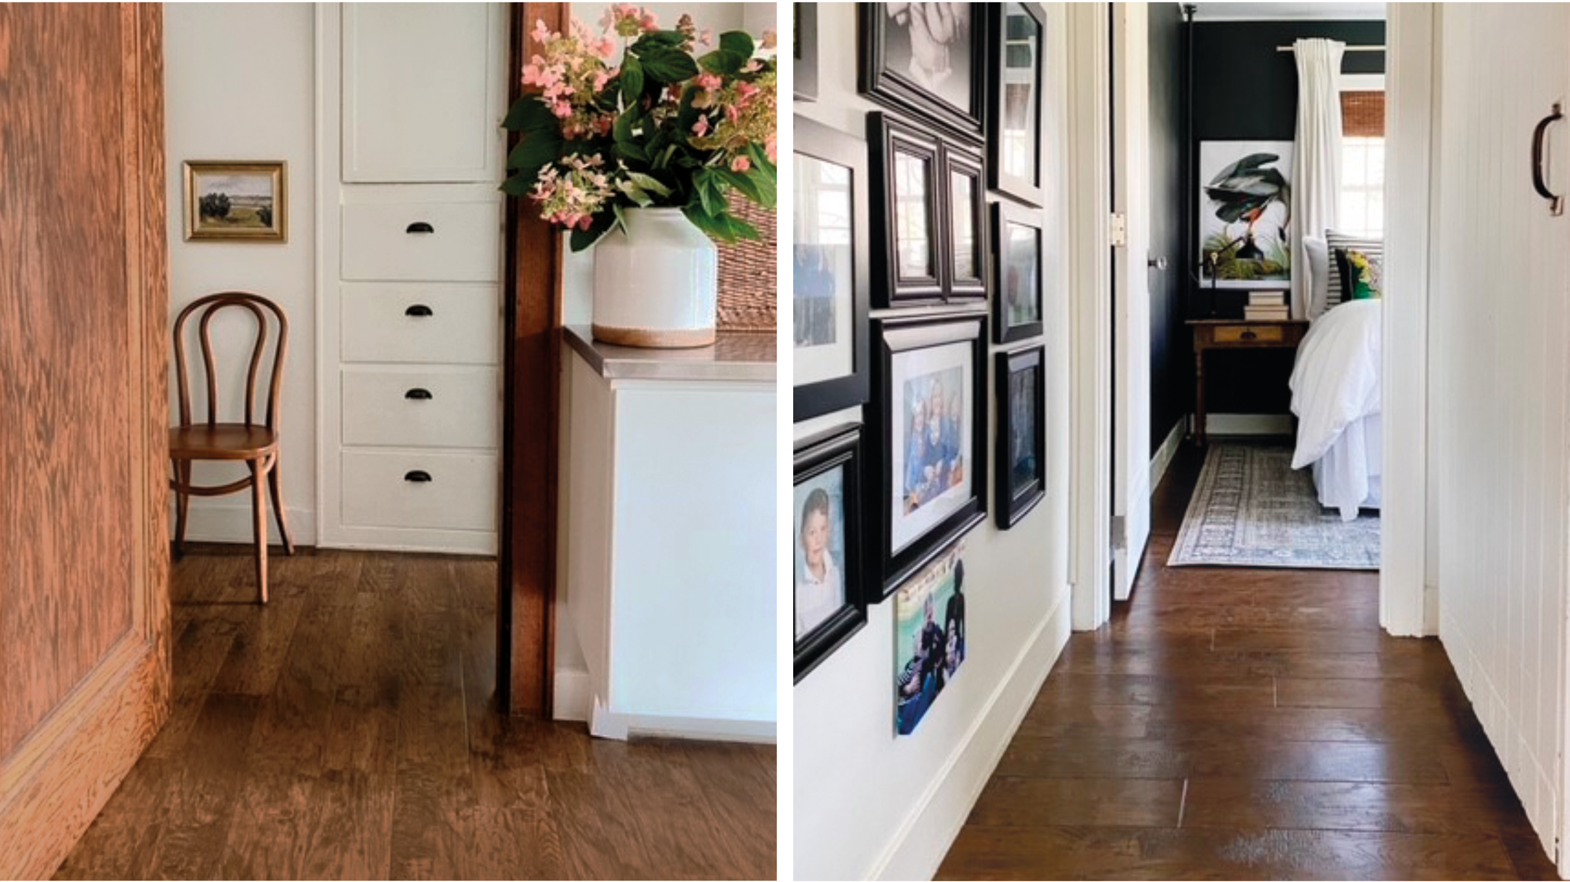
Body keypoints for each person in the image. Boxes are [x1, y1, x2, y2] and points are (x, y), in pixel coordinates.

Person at [795, 488, 842, 637]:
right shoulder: (797, 591)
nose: (818, 540)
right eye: (812, 533)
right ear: (801, 539)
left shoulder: (835, 573)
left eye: (823, 529)